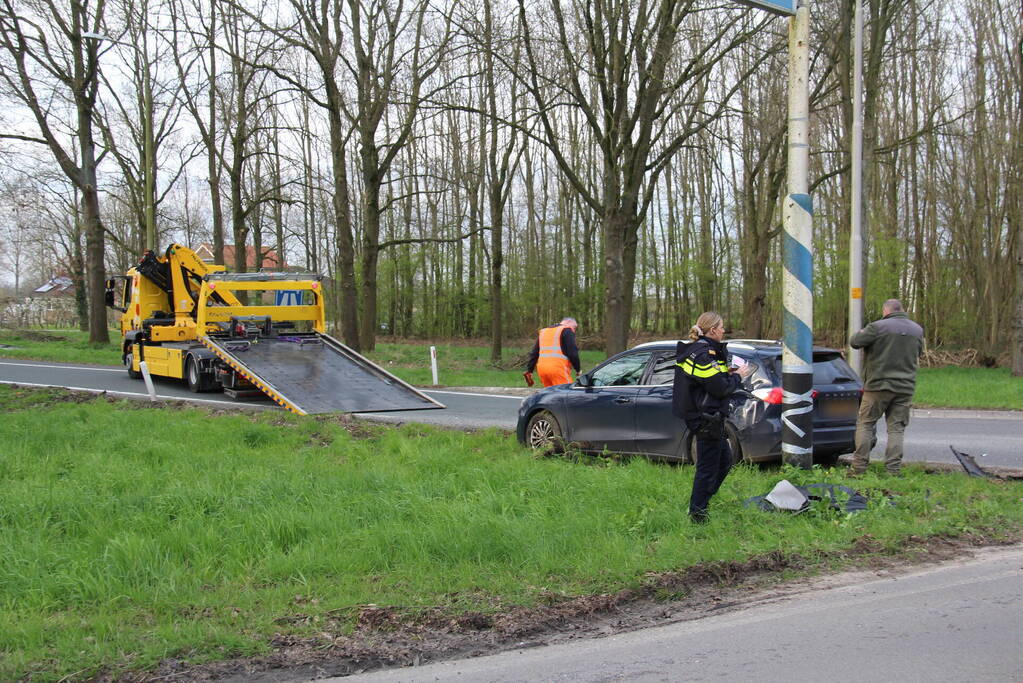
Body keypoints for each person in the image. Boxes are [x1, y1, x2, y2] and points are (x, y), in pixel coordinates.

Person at [673, 311, 753, 523]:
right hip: (705, 418)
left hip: (710, 416)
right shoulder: (702, 354)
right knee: (708, 468)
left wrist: (728, 372)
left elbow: (710, 381)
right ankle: (697, 514)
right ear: (713, 330)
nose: (724, 330)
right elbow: (719, 388)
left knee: (724, 461)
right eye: (722, 326)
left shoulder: (705, 352)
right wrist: (737, 376)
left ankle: (702, 503)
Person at [848, 298, 924, 476]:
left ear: (886, 311)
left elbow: (855, 341)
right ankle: (893, 470)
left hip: (877, 385)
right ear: (902, 310)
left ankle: (859, 468)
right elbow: (918, 352)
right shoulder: (917, 329)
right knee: (896, 428)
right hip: (905, 387)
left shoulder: (877, 327)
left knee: (865, 424)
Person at [525, 317, 581, 387]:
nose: (574, 330)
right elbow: (573, 353)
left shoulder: (544, 332)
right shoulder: (567, 330)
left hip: (542, 370)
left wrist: (530, 370)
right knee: (567, 393)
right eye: (574, 327)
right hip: (558, 369)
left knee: (551, 395)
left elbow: (534, 353)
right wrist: (578, 369)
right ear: (568, 322)